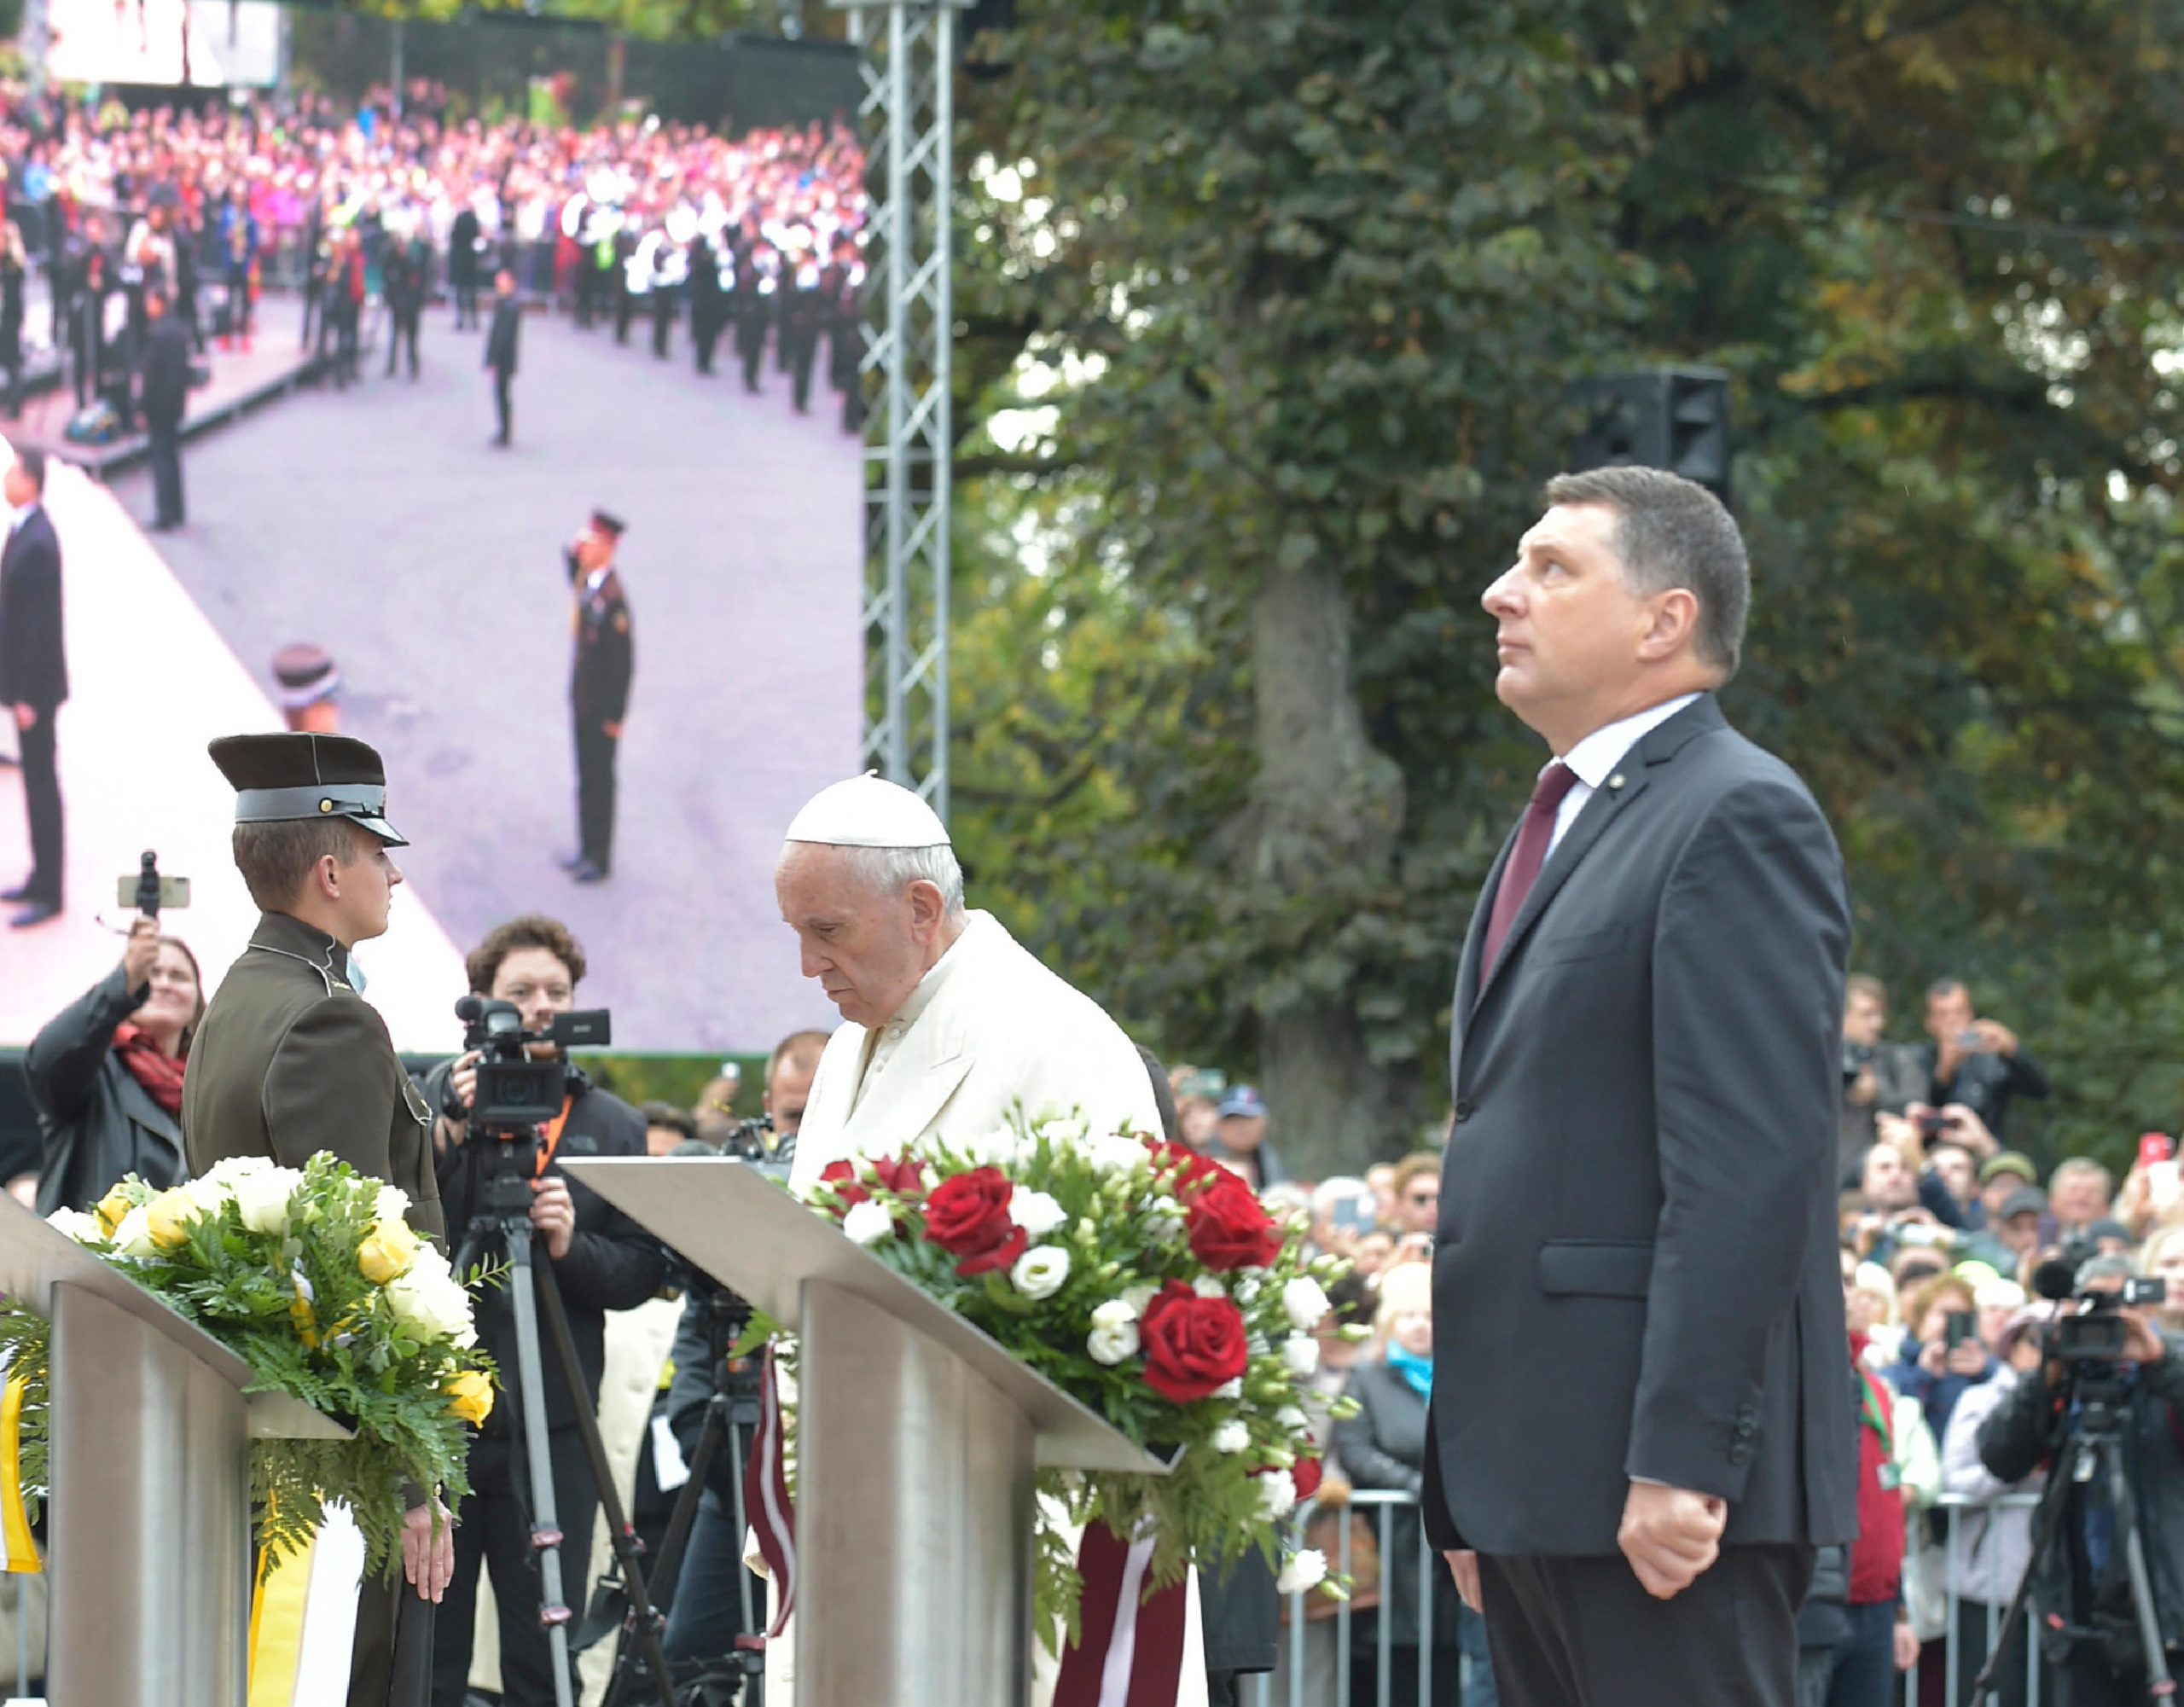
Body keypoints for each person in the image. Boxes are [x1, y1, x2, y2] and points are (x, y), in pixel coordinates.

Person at [1424, 467, 1855, 1707]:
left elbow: (1750, 1166)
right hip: (1541, 1486)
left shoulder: (1738, 814)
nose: (1504, 592)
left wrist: (1682, 1461)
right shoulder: (1560, 818)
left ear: (1665, 620)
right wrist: (1472, 1480)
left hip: (1655, 1499)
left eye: (1554, 568)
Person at [773, 771, 1178, 1702]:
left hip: (998, 1531)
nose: (806, 966)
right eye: (796, 934)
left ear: (920, 908)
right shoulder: (848, 1040)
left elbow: (1120, 1315)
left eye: (826, 931)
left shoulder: (1058, 1038)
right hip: (855, 1493)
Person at [180, 731, 450, 1707]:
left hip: (270, 1437)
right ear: (331, 870)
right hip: (338, 1462)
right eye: (383, 854)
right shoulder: (330, 1018)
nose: (393, 876)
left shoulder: (242, 998)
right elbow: (351, 1275)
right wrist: (413, 1483)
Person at [419, 914, 665, 1707]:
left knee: (542, 1645)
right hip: (440, 1417)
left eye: (556, 992)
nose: (539, 1007)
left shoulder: (611, 1126)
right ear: (479, 1003)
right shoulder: (429, 1101)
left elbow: (639, 1272)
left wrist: (569, 1245)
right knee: (431, 1640)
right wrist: (446, 1125)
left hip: (555, 1422)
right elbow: (393, 1227)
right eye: (519, 991)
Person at [1978, 1254, 2184, 1704]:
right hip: (2078, 1616)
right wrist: (2045, 1378)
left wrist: (2159, 1362)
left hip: (2168, 1618)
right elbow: (1998, 1456)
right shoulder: (2063, 1376)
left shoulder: (2170, 1363)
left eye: (2117, 1307)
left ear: (2144, 1308)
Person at [1333, 1261, 1495, 1706]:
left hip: (1447, 1549)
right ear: (1388, 1321)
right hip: (1394, 1545)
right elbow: (1356, 1451)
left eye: (1427, 1315)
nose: (1420, 1326)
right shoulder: (1367, 1379)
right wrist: (1419, 1486)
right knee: (1395, 1671)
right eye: (1408, 1316)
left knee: (1447, 1667)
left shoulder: (1457, 1377)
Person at [26, 915, 200, 1215]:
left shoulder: (206, 1087)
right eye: (152, 974)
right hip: (87, 1260)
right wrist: (125, 980)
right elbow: (45, 1059)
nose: (164, 984)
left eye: (179, 976)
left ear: (198, 1002)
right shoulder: (92, 1070)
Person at [1939, 1304, 2050, 1707]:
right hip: (1989, 1588)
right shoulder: (1981, 1400)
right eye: (2037, 1341)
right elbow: (1957, 1480)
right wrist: (2015, 1466)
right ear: (2013, 1347)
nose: (2045, 1353)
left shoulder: (2072, 1406)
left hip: (2053, 1589)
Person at [0, 449, 66, 928]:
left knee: (42, 784)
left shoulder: (39, 541)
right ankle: (39, 875)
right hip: (27, 687)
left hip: (36, 692)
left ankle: (50, 888)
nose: (6, 479)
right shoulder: (25, 528)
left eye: (13, 472)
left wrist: (24, 695)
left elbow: (41, 628)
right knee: (35, 783)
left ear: (31, 480)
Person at [560, 510, 633, 885]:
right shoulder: (590, 584)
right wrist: (573, 549)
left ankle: (599, 859)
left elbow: (623, 666)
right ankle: (585, 849)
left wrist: (615, 718)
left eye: (590, 544)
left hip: (601, 712)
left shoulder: (613, 600)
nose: (583, 550)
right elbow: (568, 566)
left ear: (606, 548)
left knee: (600, 783)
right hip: (583, 705)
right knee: (585, 779)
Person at [1914, 981, 2050, 1144]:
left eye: (1959, 1012)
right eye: (1943, 1015)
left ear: (1971, 1015)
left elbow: (2040, 1090)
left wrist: (2013, 1051)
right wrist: (1944, 1072)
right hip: (1939, 1154)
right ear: (1930, 1022)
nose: (1952, 1021)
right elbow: (1918, 1113)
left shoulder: (1991, 1057)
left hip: (1988, 1152)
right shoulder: (1916, 1059)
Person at [1839, 974, 1924, 1176]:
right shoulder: (1818, 1060)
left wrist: (1878, 1093)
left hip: (1883, 1181)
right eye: (1867, 1015)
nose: (1877, 1024)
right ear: (1842, 1015)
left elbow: (1918, 1113)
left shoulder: (1896, 1059)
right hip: (1826, 1180)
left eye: (1880, 1015)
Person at [138, 286, 192, 531]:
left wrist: (143, 407)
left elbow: (151, 377)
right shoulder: (180, 330)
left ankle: (165, 515)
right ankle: (177, 510)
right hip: (175, 403)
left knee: (161, 459)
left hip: (159, 406)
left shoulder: (157, 334)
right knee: (173, 456)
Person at [1211, 1083, 1287, 1188]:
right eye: (1232, 1118)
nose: (1240, 1126)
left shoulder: (1272, 1160)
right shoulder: (1205, 1164)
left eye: (1248, 1117)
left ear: (1263, 1122)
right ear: (1218, 1125)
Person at [484, 269, 521, 446]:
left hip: (504, 359)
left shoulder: (509, 306)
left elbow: (502, 336)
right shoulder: (505, 304)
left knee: (503, 395)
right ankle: (503, 430)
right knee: (500, 395)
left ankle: (505, 432)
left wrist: (493, 359)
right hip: (502, 359)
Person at [448, 199, 483, 330]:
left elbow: (453, 236)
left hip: (459, 259)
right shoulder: (474, 220)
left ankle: (460, 320)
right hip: (470, 258)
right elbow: (477, 235)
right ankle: (474, 320)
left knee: (460, 291)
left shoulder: (459, 220)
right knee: (472, 291)